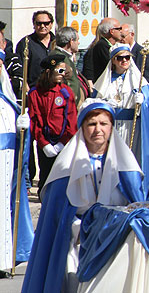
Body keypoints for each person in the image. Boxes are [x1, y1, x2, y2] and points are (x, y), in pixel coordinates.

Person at [21, 99, 145, 293]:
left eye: (103, 124)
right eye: (92, 124)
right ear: (82, 128)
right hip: (77, 239)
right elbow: (56, 218)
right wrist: (80, 229)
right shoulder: (66, 169)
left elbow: (137, 207)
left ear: (112, 127)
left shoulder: (125, 167)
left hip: (115, 237)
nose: (98, 130)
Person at [92, 44, 149, 190]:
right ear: (113, 60)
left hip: (132, 129)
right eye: (120, 58)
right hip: (112, 128)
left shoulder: (139, 81)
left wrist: (143, 102)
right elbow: (93, 106)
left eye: (127, 57)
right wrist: (104, 104)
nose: (124, 61)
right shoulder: (105, 81)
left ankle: (132, 189)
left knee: (131, 159)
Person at [27, 54, 78, 197]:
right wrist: (43, 144)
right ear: (49, 72)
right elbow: (34, 120)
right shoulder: (35, 93)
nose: (63, 74)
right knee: (45, 180)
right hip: (45, 144)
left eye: (64, 71)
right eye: (59, 70)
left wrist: (62, 143)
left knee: (63, 180)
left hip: (63, 143)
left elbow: (72, 120)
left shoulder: (66, 93)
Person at [0, 63, 34, 271]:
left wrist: (24, 129)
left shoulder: (8, 102)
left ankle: (4, 261)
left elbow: (19, 141)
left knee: (5, 207)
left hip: (7, 162)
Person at [16, 10, 56, 88]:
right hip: (35, 89)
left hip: (55, 89)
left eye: (46, 23)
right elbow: (20, 69)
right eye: (39, 23)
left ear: (51, 24)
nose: (42, 26)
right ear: (34, 24)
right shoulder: (25, 43)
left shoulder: (57, 42)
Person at [51, 26, 86, 106]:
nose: (78, 43)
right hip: (64, 105)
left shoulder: (66, 57)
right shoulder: (58, 58)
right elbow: (58, 77)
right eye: (77, 40)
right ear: (71, 42)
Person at [120, 24, 149, 89]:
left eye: (123, 36)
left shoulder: (145, 54)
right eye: (119, 36)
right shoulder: (117, 54)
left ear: (132, 35)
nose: (120, 39)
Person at [89, 18, 123, 82]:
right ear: (111, 31)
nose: (121, 31)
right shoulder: (102, 46)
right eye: (119, 29)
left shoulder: (111, 45)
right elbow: (111, 66)